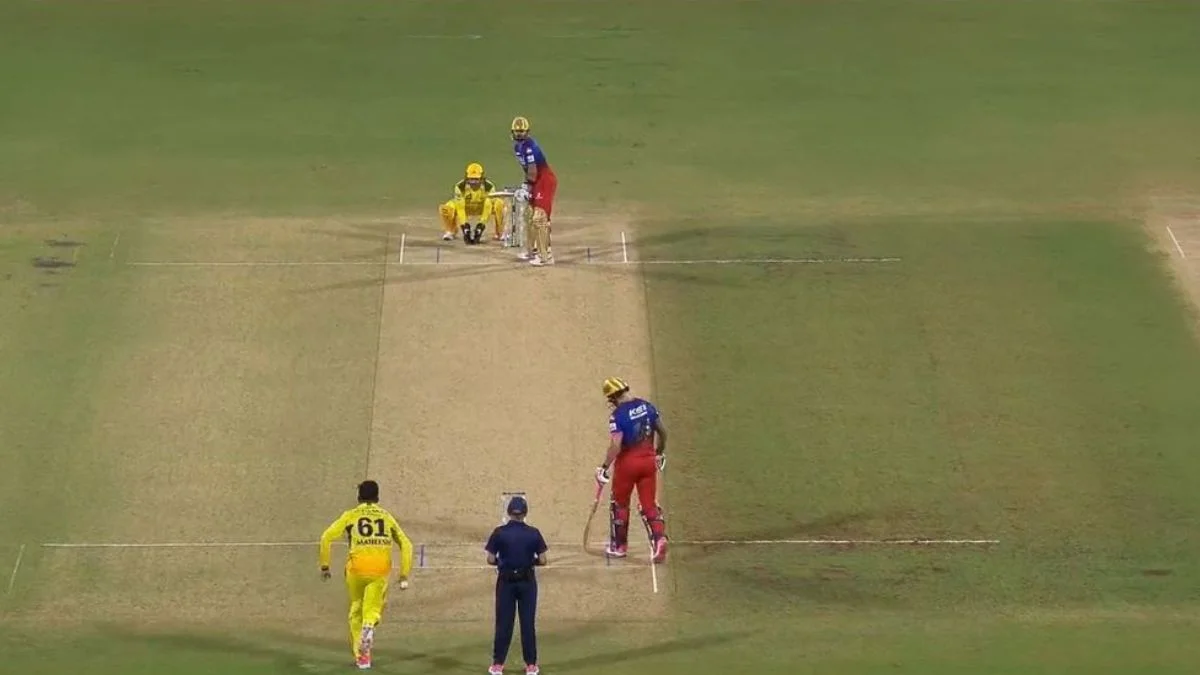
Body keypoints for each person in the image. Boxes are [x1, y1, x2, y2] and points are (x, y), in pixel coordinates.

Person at [319, 480, 414, 670]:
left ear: (359, 497)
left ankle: (362, 657)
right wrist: (404, 574)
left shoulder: (351, 515)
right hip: (379, 570)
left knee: (356, 609)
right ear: (377, 497)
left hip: (356, 570)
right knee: (372, 608)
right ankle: (369, 625)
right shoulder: (386, 517)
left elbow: (326, 537)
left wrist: (325, 566)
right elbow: (407, 545)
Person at [594, 378, 669, 562]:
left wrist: (604, 467)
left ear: (613, 397)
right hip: (648, 463)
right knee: (649, 504)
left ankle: (619, 547)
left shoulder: (617, 416)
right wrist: (659, 452)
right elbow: (663, 432)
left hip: (627, 466)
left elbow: (616, 445)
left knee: (619, 504)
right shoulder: (647, 406)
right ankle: (660, 540)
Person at [485, 495, 547, 675]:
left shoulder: (499, 533)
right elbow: (543, 560)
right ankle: (531, 665)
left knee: (503, 623)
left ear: (509, 512)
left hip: (505, 583)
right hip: (527, 582)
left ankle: (498, 665)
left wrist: (503, 562)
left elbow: (490, 559)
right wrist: (529, 562)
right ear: (525, 513)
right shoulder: (534, 533)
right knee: (527, 624)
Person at [510, 116, 558, 266]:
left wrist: (526, 186)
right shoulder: (517, 147)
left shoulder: (530, 147)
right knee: (529, 215)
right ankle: (533, 250)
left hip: (544, 181)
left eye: (522, 131)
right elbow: (527, 171)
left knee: (539, 218)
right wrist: (526, 186)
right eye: (517, 131)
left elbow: (532, 171)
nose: (519, 134)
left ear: (528, 132)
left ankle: (546, 257)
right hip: (535, 181)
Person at [438, 162, 507, 244]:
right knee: (446, 208)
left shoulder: (489, 187)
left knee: (499, 204)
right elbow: (460, 207)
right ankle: (451, 231)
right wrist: (465, 226)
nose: (473, 182)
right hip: (466, 208)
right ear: (467, 178)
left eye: (476, 179)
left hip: (483, 208)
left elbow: (488, 206)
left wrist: (481, 226)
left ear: (482, 178)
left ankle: (500, 232)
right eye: (471, 179)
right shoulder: (460, 187)